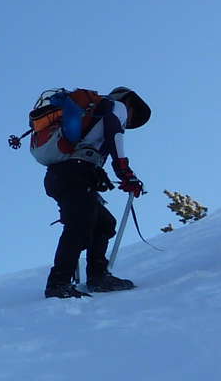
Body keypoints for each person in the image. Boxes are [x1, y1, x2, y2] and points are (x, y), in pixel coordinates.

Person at [42, 87, 150, 298]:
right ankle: (59, 283)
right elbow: (114, 135)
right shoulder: (116, 107)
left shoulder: (92, 115)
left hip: (62, 175)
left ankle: (98, 276)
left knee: (103, 223)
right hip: (75, 173)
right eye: (133, 114)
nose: (129, 120)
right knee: (80, 224)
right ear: (129, 102)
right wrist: (125, 173)